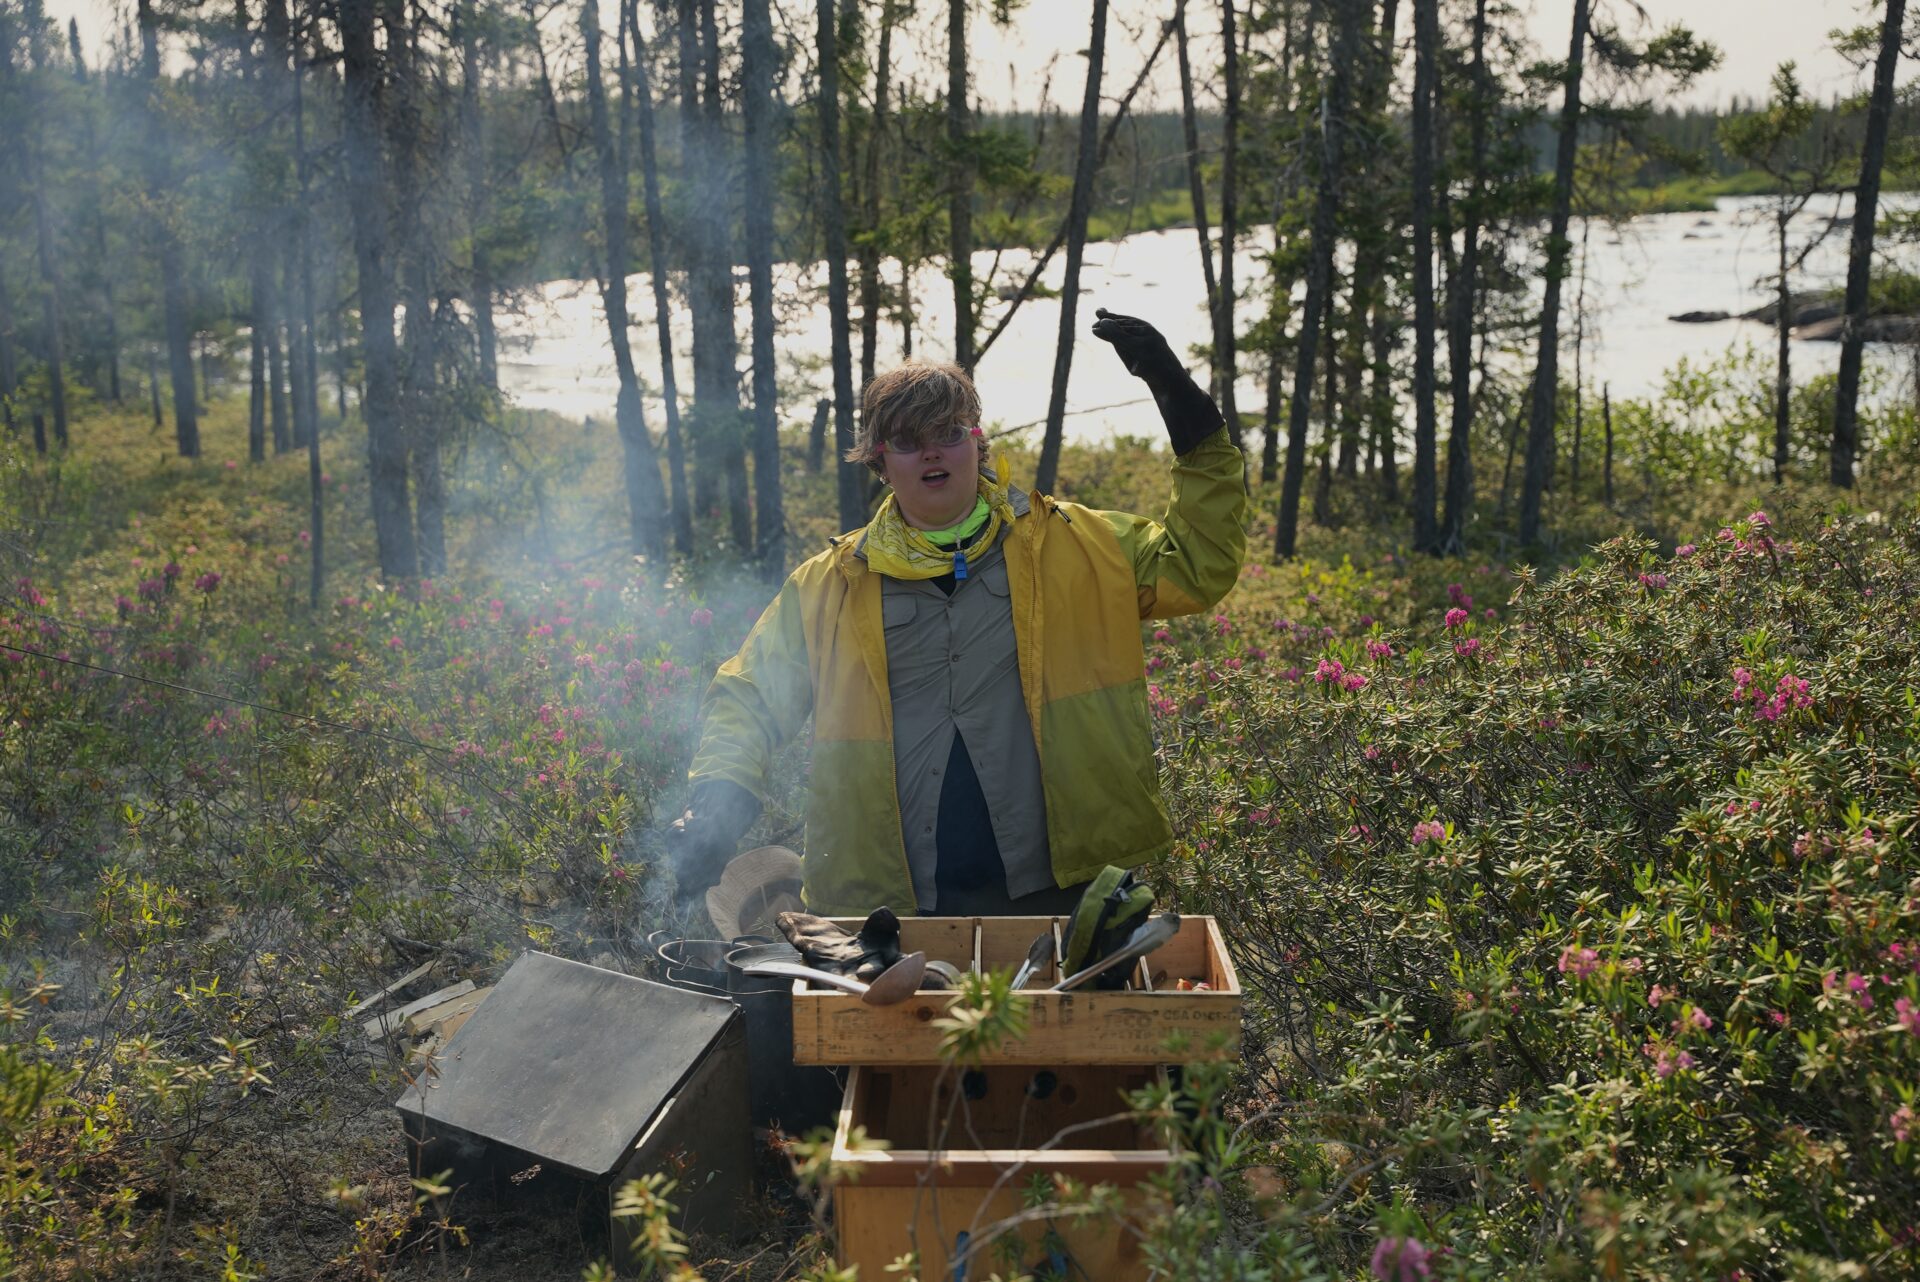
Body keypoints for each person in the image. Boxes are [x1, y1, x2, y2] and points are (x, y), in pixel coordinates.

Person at [670, 308, 1246, 917]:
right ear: (880, 462)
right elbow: (749, 698)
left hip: (1065, 887)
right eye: (908, 442)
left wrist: (1180, 399)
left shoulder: (1079, 544)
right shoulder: (830, 587)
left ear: (978, 441)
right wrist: (718, 806)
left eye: (949, 432)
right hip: (894, 908)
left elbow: (1198, 563)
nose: (931, 455)